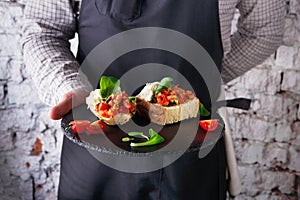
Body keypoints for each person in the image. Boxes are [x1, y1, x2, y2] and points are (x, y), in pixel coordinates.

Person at [22, 0, 285, 199]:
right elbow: (43, 29)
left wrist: (202, 81)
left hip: (192, 150)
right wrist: (69, 86)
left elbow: (264, 30)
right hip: (94, 147)